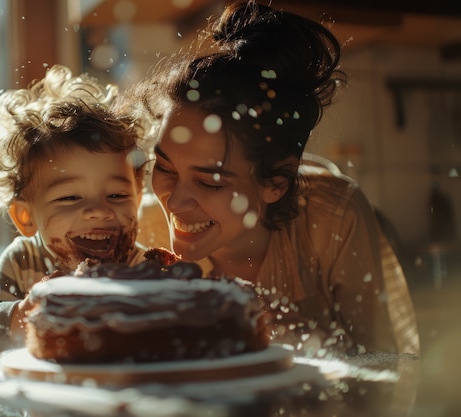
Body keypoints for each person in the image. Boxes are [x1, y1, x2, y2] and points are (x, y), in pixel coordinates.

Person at [122, 1, 419, 356]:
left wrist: (300, 339)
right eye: (166, 168)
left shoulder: (332, 216)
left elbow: (384, 366)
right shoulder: (147, 231)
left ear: (276, 183)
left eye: (211, 182)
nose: (176, 201)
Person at [0, 65, 149, 360]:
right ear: (25, 217)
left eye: (117, 195)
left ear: (138, 197)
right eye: (70, 197)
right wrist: (23, 314)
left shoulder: (144, 270)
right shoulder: (23, 262)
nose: (98, 211)